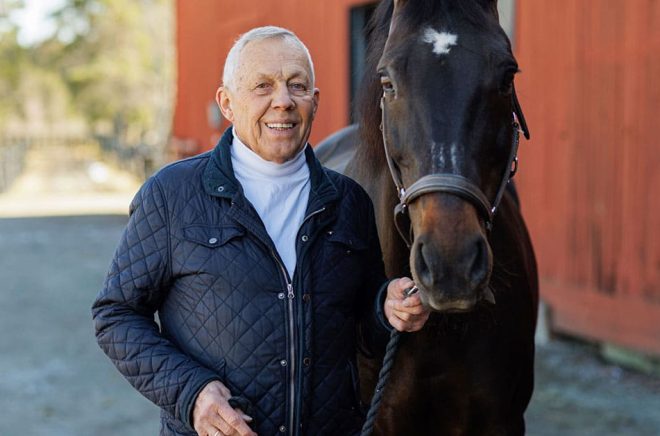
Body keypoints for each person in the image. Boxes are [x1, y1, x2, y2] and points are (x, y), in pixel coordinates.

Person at [92, 26, 430, 436]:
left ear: (315, 101)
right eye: (262, 86)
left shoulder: (349, 202)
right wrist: (190, 392)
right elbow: (116, 314)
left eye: (297, 86)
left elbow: (362, 331)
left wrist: (387, 309)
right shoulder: (171, 195)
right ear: (227, 103)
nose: (283, 102)